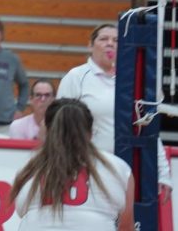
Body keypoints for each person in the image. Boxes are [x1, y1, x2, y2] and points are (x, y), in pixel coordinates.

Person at [57, 23, 172, 198]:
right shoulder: (76, 77)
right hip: (86, 169)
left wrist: (163, 173)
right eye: (103, 39)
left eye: (116, 40)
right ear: (90, 45)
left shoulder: (136, 81)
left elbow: (149, 129)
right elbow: (59, 126)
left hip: (128, 170)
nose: (110, 43)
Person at [10, 98, 134, 231]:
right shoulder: (118, 168)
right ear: (91, 133)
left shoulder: (28, 169)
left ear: (46, 130)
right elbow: (126, 227)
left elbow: (22, 213)